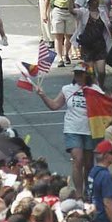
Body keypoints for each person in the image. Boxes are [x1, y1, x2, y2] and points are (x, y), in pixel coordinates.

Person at [35, 66, 102, 198]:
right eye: (76, 73)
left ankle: (88, 190)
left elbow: (106, 105)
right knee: (78, 160)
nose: (78, 76)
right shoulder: (67, 89)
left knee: (89, 163)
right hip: (72, 129)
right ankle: (78, 192)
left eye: (80, 73)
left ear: (86, 74)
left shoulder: (95, 89)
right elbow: (54, 105)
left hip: (89, 129)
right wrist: (43, 95)